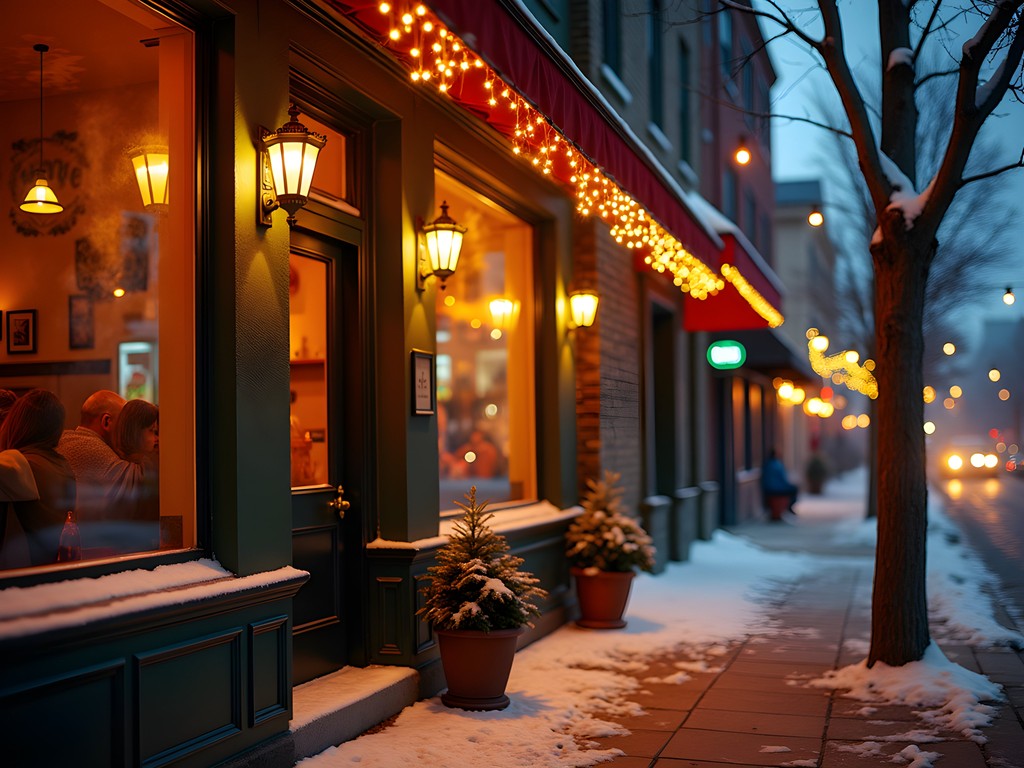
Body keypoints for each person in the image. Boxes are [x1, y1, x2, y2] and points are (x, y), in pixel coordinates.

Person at [57, 389, 142, 554]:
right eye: (125, 425)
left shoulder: (61, 440)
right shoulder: (99, 454)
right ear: (107, 422)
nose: (127, 433)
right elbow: (144, 486)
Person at [0, 389, 76, 566]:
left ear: (18, 424)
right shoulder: (63, 465)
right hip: (46, 572)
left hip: (18, 579)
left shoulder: (18, 463)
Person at [112, 399, 160, 551]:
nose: (157, 439)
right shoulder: (143, 470)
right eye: (152, 431)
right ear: (135, 431)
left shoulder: (116, 463)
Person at [761, 448, 798, 520]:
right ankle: (789, 507)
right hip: (777, 489)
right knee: (794, 489)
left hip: (767, 489)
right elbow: (783, 479)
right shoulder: (778, 465)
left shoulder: (766, 464)